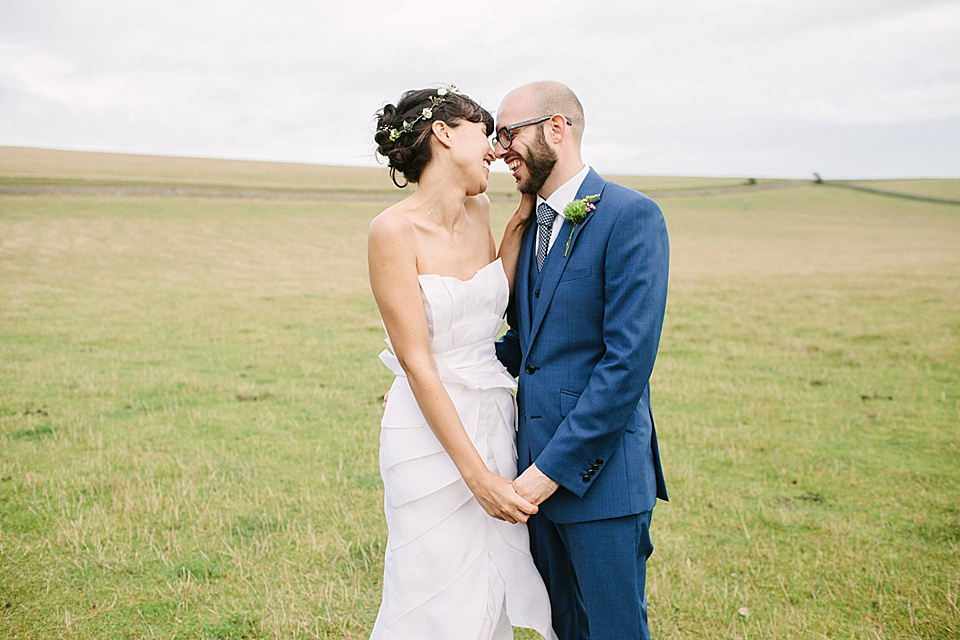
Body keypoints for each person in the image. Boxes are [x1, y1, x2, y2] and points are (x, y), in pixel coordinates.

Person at [367, 85, 556, 640]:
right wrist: (478, 479)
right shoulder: (391, 231)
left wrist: (524, 209)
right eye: (485, 130)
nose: (497, 146)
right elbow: (419, 364)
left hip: (494, 414)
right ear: (446, 134)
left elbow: (494, 294)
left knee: (487, 588)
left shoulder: (482, 207)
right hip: (428, 437)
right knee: (431, 590)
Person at [492, 81, 670, 640]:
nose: (499, 151)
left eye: (508, 133)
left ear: (557, 127)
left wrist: (550, 473)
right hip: (530, 480)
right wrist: (437, 379)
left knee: (614, 631)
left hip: (600, 480)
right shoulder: (529, 227)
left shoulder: (631, 216)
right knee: (563, 630)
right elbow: (526, 347)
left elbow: (625, 366)